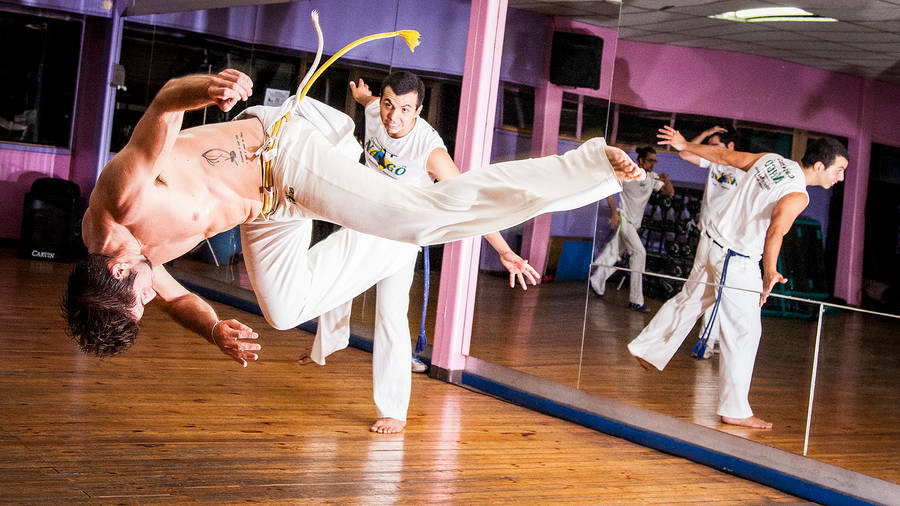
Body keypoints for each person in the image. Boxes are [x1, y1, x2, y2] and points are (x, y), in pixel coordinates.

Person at [62, 69, 643, 405]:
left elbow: (167, 100)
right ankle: (386, 242)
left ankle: (589, 165)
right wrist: (215, 329)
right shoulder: (132, 262)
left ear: (117, 270)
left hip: (281, 152)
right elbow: (177, 300)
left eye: (139, 300)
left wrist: (207, 89)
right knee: (284, 308)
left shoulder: (122, 200)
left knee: (421, 216)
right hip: (269, 208)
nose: (151, 298)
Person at [307, 71, 539, 434]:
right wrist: (363, 96)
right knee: (330, 266)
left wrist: (504, 250)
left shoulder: (430, 153)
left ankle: (393, 410)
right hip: (365, 219)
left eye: (404, 109)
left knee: (391, 317)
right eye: (388, 105)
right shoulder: (376, 111)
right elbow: (368, 102)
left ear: (418, 110)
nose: (393, 116)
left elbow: (470, 205)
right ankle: (330, 342)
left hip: (401, 237)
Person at [627, 126, 848, 429]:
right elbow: (776, 231)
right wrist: (769, 271)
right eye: (839, 170)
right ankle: (735, 409)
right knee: (745, 333)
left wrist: (685, 144)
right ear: (820, 166)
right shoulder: (798, 194)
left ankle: (647, 348)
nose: (841, 177)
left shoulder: (772, 160)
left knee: (691, 299)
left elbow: (724, 157)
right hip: (735, 259)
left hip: (711, 243)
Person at [679, 126, 745, 359]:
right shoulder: (713, 163)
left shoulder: (743, 171)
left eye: (715, 146)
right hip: (705, 236)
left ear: (731, 147)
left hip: (725, 241)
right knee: (701, 289)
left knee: (717, 291)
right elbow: (684, 152)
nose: (710, 150)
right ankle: (709, 339)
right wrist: (706, 133)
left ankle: (708, 341)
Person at [588, 146, 674, 312]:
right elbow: (608, 190)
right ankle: (636, 300)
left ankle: (596, 281)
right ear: (640, 160)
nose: (652, 164)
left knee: (614, 252)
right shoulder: (628, 173)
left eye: (654, 161)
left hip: (634, 224)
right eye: (649, 160)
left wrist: (666, 180)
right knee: (639, 253)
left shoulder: (652, 178)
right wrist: (614, 213)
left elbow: (670, 192)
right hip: (624, 219)